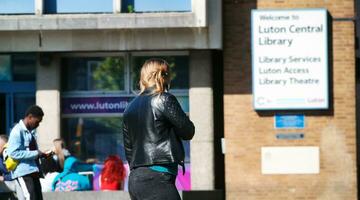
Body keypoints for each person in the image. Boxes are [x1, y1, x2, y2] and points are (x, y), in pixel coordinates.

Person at [123, 58, 195, 200]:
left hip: (136, 180)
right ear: (164, 76)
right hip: (157, 178)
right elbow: (188, 131)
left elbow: (129, 150)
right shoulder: (164, 99)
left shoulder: (129, 107)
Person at [7, 105, 49, 200]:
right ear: (30, 117)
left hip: (33, 172)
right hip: (24, 172)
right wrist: (36, 153)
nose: (38, 124)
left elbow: (30, 152)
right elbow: (13, 153)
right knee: (30, 197)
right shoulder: (17, 131)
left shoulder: (31, 133)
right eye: (37, 121)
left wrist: (42, 155)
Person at [0, 134, 24, 199]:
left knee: (18, 182)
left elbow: (18, 173)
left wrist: (4, 177)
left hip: (16, 182)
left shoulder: (13, 154)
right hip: (6, 184)